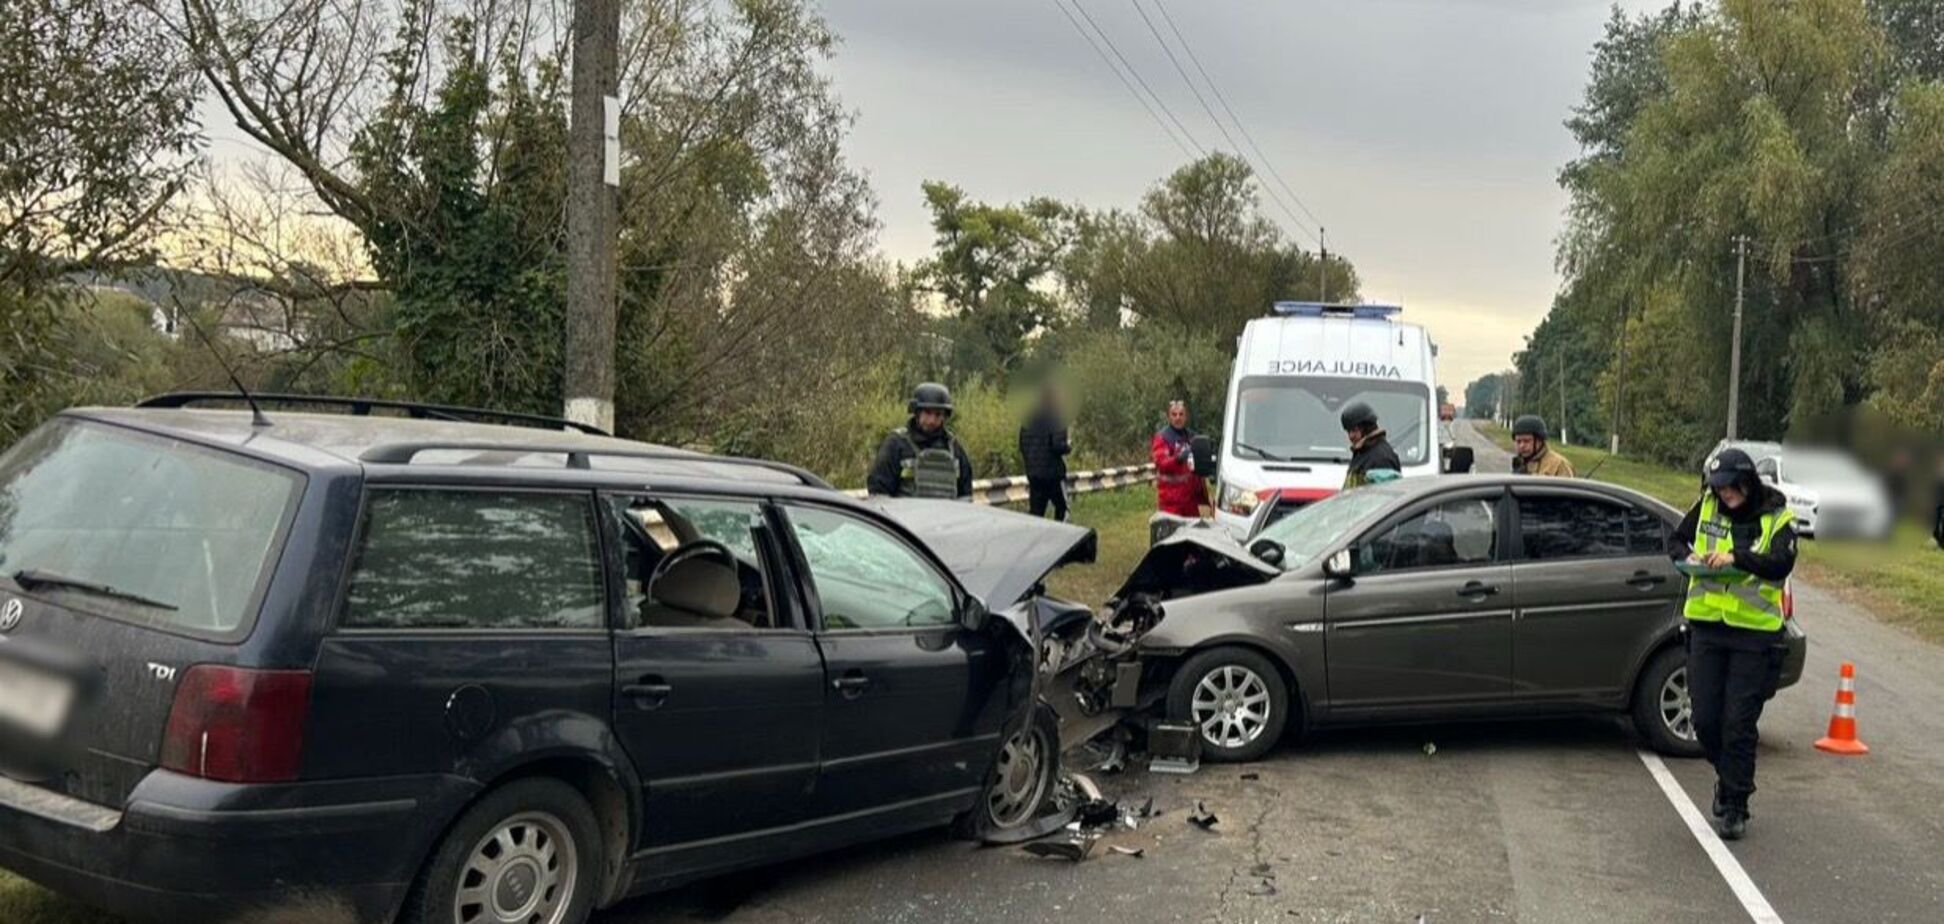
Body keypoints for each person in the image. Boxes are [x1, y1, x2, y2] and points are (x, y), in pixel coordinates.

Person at [1670, 447, 1798, 841]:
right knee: (1706, 720)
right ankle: (1729, 778)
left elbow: (1780, 564)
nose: (1722, 495)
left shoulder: (1778, 516)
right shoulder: (1707, 506)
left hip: (1755, 635)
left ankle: (1735, 803)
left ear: (1747, 482)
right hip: (1708, 628)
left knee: (1738, 723)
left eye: (1728, 488)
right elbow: (1676, 542)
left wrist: (1736, 559)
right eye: (1717, 488)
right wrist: (1688, 557)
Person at [867, 383, 975, 499]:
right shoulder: (896, 444)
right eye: (928, 413)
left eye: (938, 414)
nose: (932, 421)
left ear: (944, 416)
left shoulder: (954, 448)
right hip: (905, 516)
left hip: (946, 516)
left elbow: (965, 495)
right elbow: (879, 493)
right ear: (917, 413)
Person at [1018, 383, 1072, 520]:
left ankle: (1036, 540)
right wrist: (1068, 446)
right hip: (1053, 474)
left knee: (1036, 514)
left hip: (1034, 474)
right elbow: (1057, 445)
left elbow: (1022, 444)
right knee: (1063, 508)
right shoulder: (1056, 418)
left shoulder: (1029, 419)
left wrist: (1031, 462)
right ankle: (1062, 539)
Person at [1151, 400, 1209, 517]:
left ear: (1186, 416)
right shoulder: (1162, 438)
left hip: (1190, 501)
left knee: (1194, 533)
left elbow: (1198, 468)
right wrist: (1178, 458)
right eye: (1174, 414)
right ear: (1169, 417)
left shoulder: (1192, 437)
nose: (1178, 418)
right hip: (1170, 503)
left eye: (1181, 414)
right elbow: (1161, 463)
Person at [1340, 401, 1401, 489]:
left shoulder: (1381, 459)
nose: (1350, 436)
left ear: (1367, 428)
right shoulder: (1362, 453)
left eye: (1354, 430)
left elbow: (1383, 498)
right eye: (1348, 431)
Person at [1511, 415, 1576, 477]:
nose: (1522, 445)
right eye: (1518, 441)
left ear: (1539, 441)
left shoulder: (1559, 465)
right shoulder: (1519, 464)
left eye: (1527, 441)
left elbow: (1567, 488)